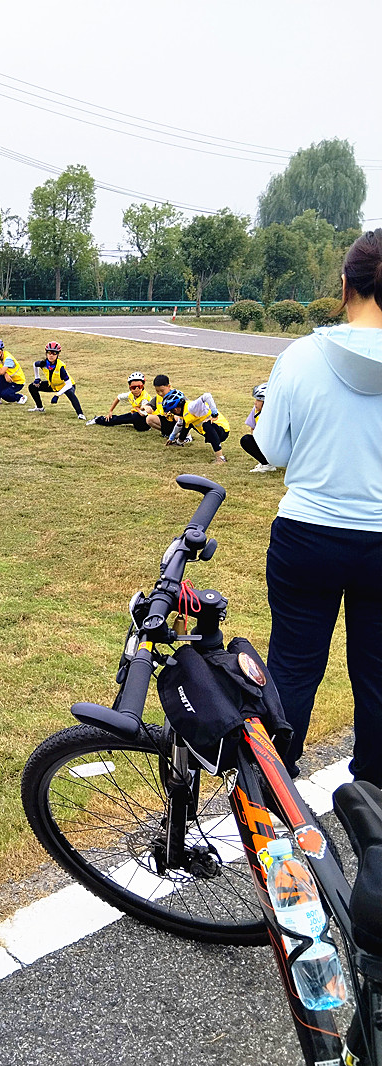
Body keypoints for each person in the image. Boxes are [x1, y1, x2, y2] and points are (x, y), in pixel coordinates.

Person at [254, 229, 382, 787]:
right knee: (378, 675)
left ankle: (273, 788)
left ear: (346, 284)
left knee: (292, 666)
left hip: (307, 533)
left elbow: (273, 449)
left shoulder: (302, 355)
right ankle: (373, 795)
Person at [163, 389, 229, 461]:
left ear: (176, 409)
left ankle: (220, 458)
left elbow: (207, 396)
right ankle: (179, 442)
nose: (172, 413)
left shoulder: (191, 407)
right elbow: (179, 425)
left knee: (206, 424)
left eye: (172, 411)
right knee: (187, 423)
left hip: (222, 430)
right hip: (209, 430)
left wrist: (214, 414)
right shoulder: (184, 412)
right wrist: (171, 438)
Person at [28, 342, 85, 419]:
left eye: (54, 353)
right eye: (49, 353)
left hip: (65, 385)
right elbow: (35, 364)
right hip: (53, 385)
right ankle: (39, 408)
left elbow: (69, 384)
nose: (51, 355)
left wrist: (57, 395)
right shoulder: (44, 363)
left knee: (70, 393)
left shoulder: (60, 367)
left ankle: (80, 414)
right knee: (32, 387)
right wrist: (37, 378)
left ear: (58, 354)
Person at [87, 372, 153, 429]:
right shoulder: (130, 394)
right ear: (129, 387)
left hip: (146, 421)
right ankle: (98, 419)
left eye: (139, 387)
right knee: (121, 418)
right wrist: (110, 411)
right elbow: (118, 397)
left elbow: (143, 414)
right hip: (136, 417)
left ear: (143, 386)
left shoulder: (145, 399)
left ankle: (99, 419)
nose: (136, 390)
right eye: (133, 387)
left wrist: (136, 408)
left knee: (134, 416)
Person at [240, 383, 276, 473]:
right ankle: (266, 463)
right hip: (266, 442)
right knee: (246, 440)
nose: (255, 403)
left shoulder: (277, 413)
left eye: (259, 400)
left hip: (278, 443)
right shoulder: (256, 410)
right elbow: (253, 428)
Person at [145, 374, 188, 440]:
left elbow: (188, 407)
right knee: (149, 419)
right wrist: (147, 408)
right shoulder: (158, 397)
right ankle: (168, 433)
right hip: (165, 419)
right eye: (157, 391)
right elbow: (149, 405)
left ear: (169, 386)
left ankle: (185, 435)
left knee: (177, 418)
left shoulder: (177, 395)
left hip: (178, 421)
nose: (160, 393)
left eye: (162, 391)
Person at [0, 340, 27, 406]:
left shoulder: (8, 359)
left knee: (5, 394)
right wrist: (5, 374)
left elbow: (0, 372)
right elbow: (2, 371)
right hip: (9, 379)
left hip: (18, 382)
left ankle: (20, 397)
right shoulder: (0, 358)